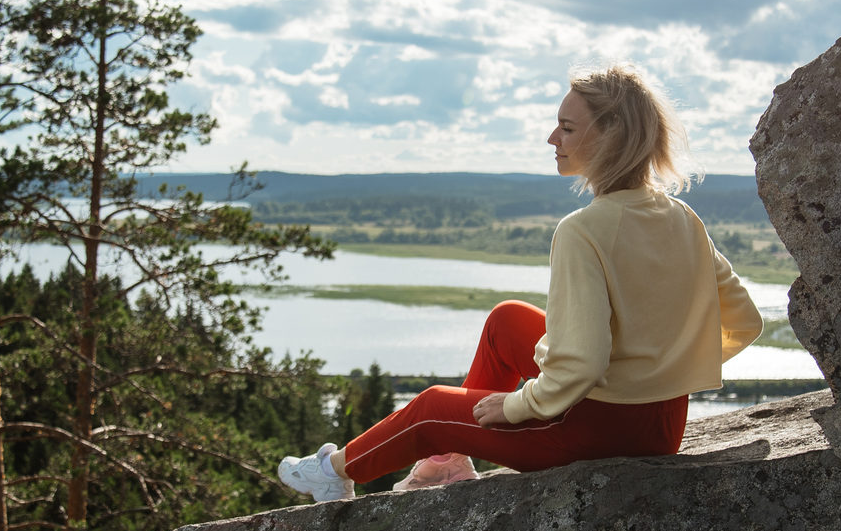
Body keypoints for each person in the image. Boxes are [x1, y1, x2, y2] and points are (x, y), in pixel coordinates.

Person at [278, 64, 764, 502]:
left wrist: (518, 406)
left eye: (568, 127)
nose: (553, 137)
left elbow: (582, 364)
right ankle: (449, 465)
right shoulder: (682, 217)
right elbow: (744, 320)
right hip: (663, 425)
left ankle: (334, 472)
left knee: (429, 409)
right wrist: (663, 369)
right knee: (507, 319)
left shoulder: (583, 230)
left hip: (596, 430)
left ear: (611, 135)